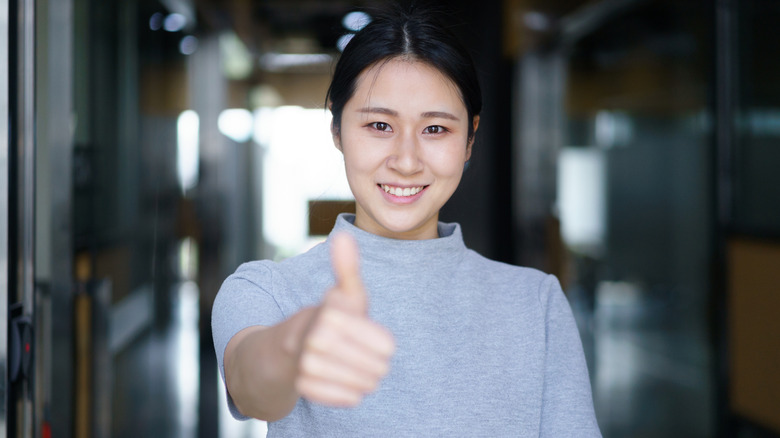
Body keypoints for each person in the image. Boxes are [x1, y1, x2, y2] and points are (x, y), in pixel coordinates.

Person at [212, 4, 601, 436]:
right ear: (337, 130)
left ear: (470, 139)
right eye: (380, 125)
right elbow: (252, 388)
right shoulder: (266, 290)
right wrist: (294, 345)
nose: (407, 161)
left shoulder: (536, 304)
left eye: (435, 129)